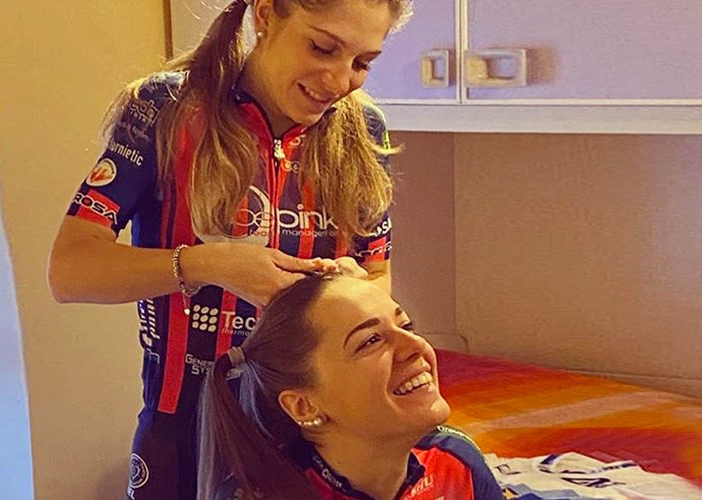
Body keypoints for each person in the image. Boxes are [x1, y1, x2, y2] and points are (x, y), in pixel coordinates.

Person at [47, 0, 413, 498]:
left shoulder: (363, 129)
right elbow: (69, 270)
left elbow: (377, 278)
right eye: (322, 47)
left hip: (314, 433)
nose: (338, 80)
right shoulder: (167, 108)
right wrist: (211, 264)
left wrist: (350, 289)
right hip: (182, 428)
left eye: (362, 62)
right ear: (265, 15)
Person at [199, 273, 505, 500]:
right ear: (304, 406)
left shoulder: (456, 463)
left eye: (406, 326)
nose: (416, 345)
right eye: (371, 340)